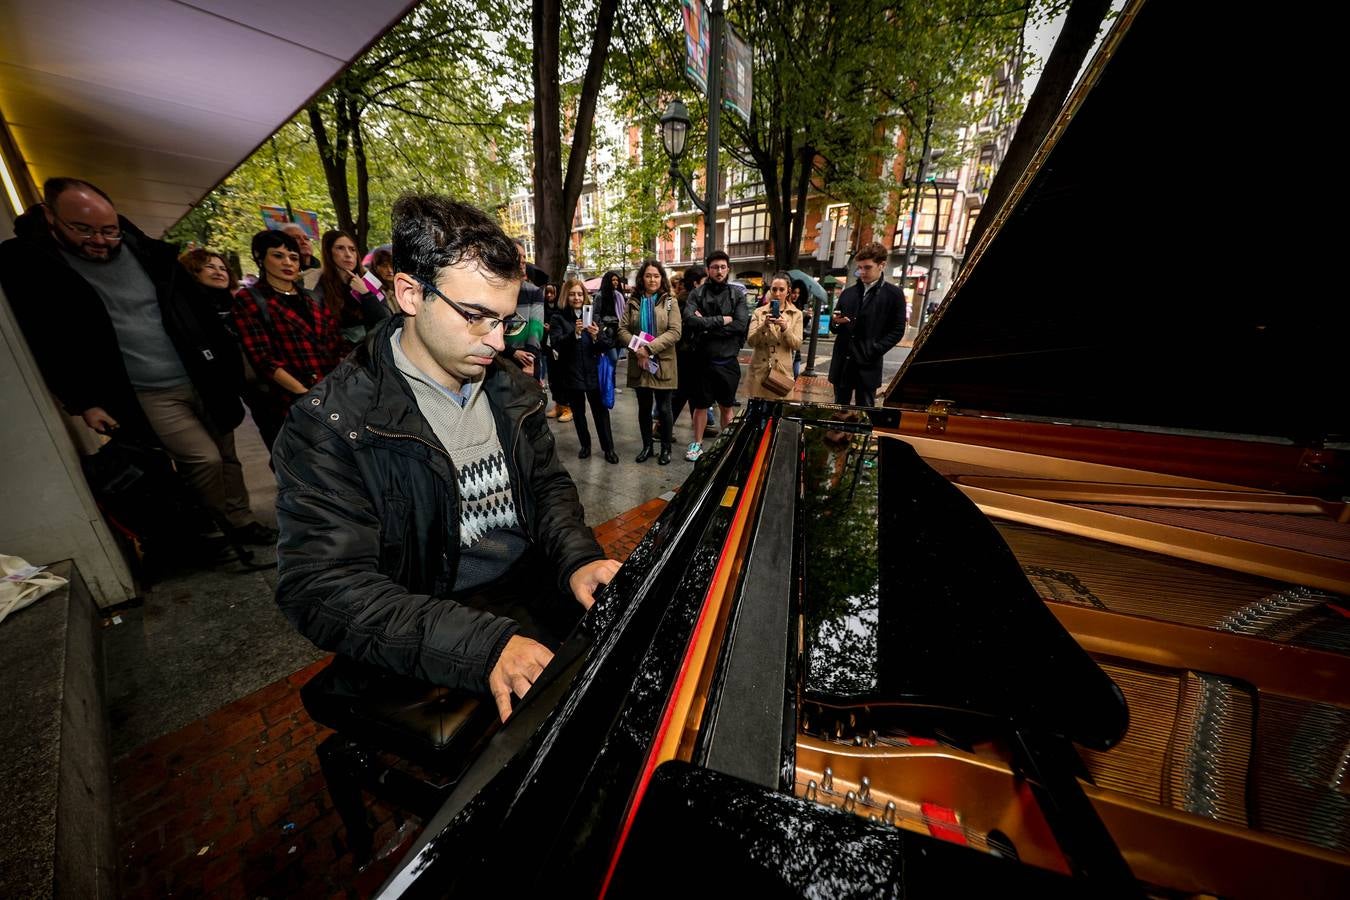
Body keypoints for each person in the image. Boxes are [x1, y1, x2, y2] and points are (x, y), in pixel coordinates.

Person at [272, 193, 620, 721]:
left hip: (529, 580)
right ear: (410, 293)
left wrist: (579, 558)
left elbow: (548, 487)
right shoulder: (330, 423)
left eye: (505, 320)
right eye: (477, 317)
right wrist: (483, 647)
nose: (497, 341)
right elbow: (322, 587)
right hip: (425, 611)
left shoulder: (509, 391)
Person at [0, 178, 272, 543]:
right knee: (202, 459)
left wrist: (226, 364)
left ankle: (242, 520)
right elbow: (48, 339)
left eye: (108, 230)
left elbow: (195, 311)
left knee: (226, 454)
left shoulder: (146, 252)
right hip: (147, 389)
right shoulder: (35, 265)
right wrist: (83, 402)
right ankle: (218, 526)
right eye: (83, 229)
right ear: (51, 217)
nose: (99, 241)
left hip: (199, 374)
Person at [232, 229, 345, 451]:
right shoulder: (250, 300)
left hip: (330, 394)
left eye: (293, 257)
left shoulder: (311, 297)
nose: (287, 263)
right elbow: (263, 358)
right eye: (278, 255)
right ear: (260, 257)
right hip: (287, 401)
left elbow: (335, 343)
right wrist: (303, 394)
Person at [681, 250, 748, 461]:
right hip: (701, 361)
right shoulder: (697, 294)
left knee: (726, 407)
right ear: (708, 269)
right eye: (714, 267)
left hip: (727, 362)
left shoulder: (737, 295)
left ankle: (726, 444)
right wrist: (722, 320)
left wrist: (707, 326)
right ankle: (697, 443)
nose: (719, 271)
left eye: (722, 267)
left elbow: (740, 324)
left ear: (728, 269)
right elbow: (690, 320)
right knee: (700, 406)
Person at [618, 259, 681, 465]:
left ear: (661, 278)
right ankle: (647, 447)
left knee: (664, 408)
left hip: (662, 361)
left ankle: (665, 448)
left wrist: (649, 348)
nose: (652, 279)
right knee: (644, 408)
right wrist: (638, 349)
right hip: (640, 362)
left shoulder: (670, 301)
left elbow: (675, 332)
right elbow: (622, 330)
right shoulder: (632, 301)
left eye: (656, 275)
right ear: (642, 278)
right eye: (648, 275)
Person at [828, 241, 907, 406]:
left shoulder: (894, 295)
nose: (862, 272)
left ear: (881, 265)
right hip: (843, 362)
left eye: (867, 267)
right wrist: (835, 322)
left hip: (867, 364)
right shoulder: (848, 293)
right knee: (838, 410)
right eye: (860, 268)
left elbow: (898, 330)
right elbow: (834, 324)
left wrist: (874, 349)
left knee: (864, 412)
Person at [550, 278, 619, 464]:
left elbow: (607, 344)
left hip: (593, 372)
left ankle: (608, 449)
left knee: (601, 413)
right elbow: (556, 344)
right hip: (571, 373)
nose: (576, 297)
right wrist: (575, 335)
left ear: (585, 296)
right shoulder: (558, 318)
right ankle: (585, 445)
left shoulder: (594, 318)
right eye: (572, 294)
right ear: (566, 295)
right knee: (578, 413)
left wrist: (597, 336)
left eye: (579, 294)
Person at [316, 229, 390, 344]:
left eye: (352, 249)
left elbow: (384, 319)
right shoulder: (319, 286)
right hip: (343, 355)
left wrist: (366, 293)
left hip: (374, 348)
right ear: (328, 252)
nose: (348, 255)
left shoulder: (368, 279)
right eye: (340, 248)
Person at [745, 272, 804, 399]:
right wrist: (764, 326)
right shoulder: (759, 312)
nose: (777, 294)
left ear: (788, 291)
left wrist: (785, 328)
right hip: (760, 370)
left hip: (782, 373)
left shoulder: (796, 314)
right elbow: (751, 341)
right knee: (758, 414)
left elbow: (797, 344)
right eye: (774, 289)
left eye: (781, 289)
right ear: (770, 290)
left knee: (778, 414)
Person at [505, 240, 546, 380]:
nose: (523, 261)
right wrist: (512, 352)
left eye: (524, 257)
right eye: (519, 256)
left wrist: (529, 360)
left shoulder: (534, 292)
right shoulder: (494, 291)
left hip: (528, 360)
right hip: (500, 361)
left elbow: (536, 329)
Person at [280, 223, 322, 291]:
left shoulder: (325, 273)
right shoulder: (280, 278)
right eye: (295, 238)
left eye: (306, 238)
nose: (303, 242)